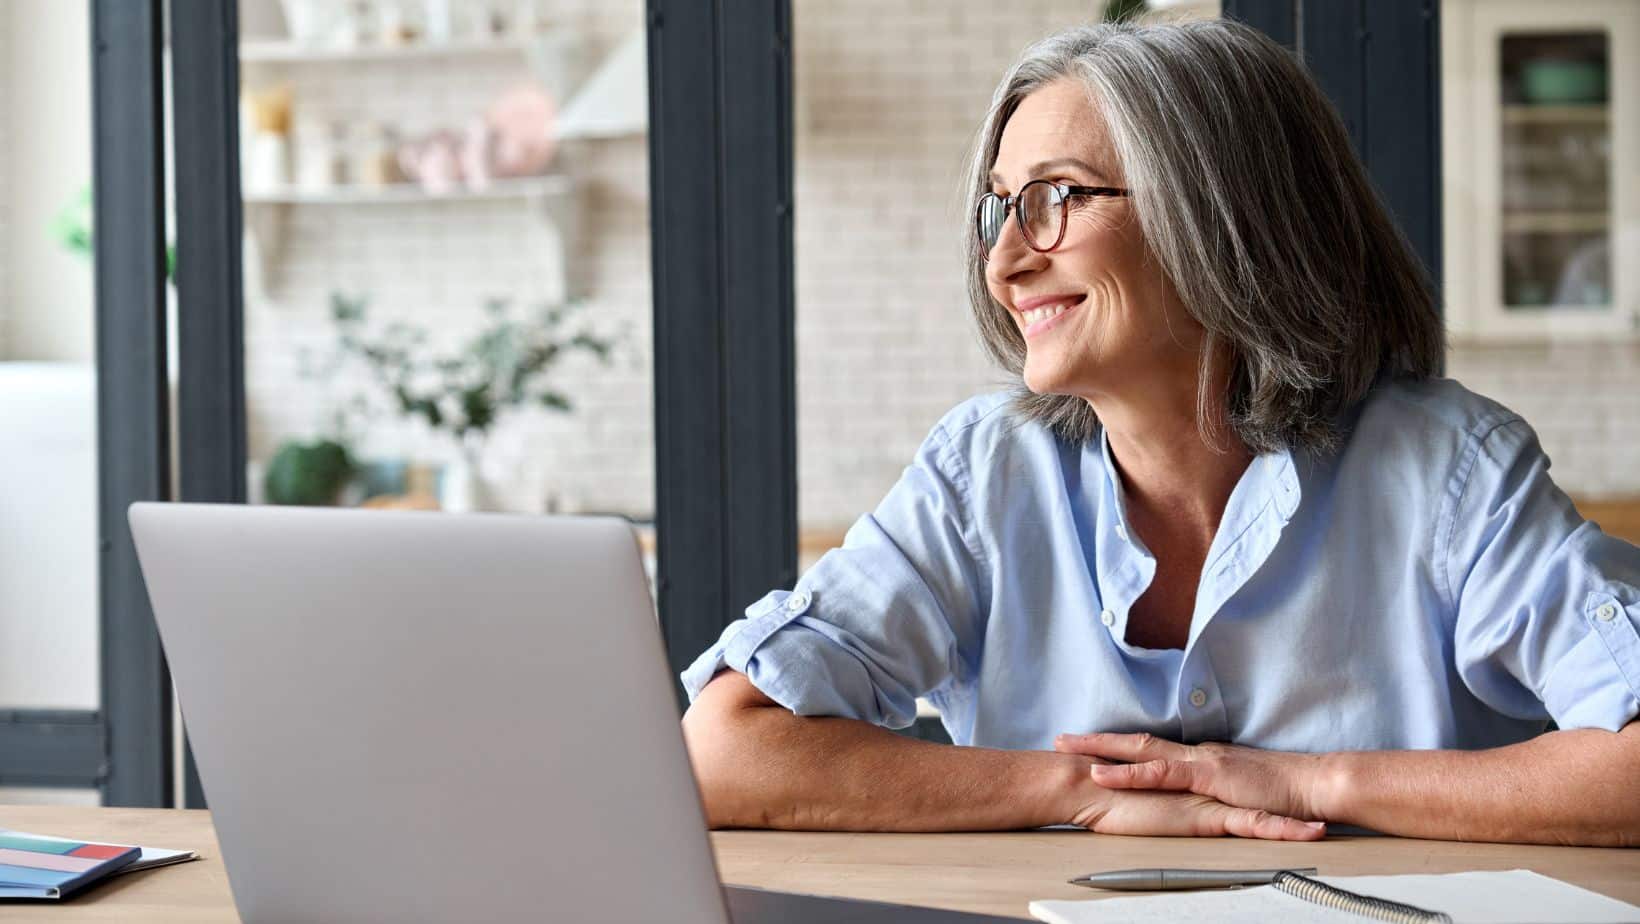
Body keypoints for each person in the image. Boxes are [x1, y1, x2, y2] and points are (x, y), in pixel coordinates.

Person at [678, 19, 1640, 846]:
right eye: (997, 210)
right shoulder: (985, 472)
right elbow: (725, 748)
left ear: (1222, 214)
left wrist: (1308, 783)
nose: (1007, 261)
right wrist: (1084, 796)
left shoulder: (1449, 472)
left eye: (1056, 198)